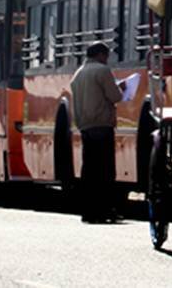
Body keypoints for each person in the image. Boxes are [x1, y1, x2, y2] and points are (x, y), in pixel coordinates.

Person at [69, 41, 123, 223]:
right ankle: (106, 210)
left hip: (85, 126)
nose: (107, 60)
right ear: (100, 55)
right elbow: (115, 96)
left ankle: (89, 211)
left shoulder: (78, 74)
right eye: (106, 56)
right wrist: (121, 88)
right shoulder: (102, 71)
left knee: (89, 170)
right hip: (102, 124)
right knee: (105, 170)